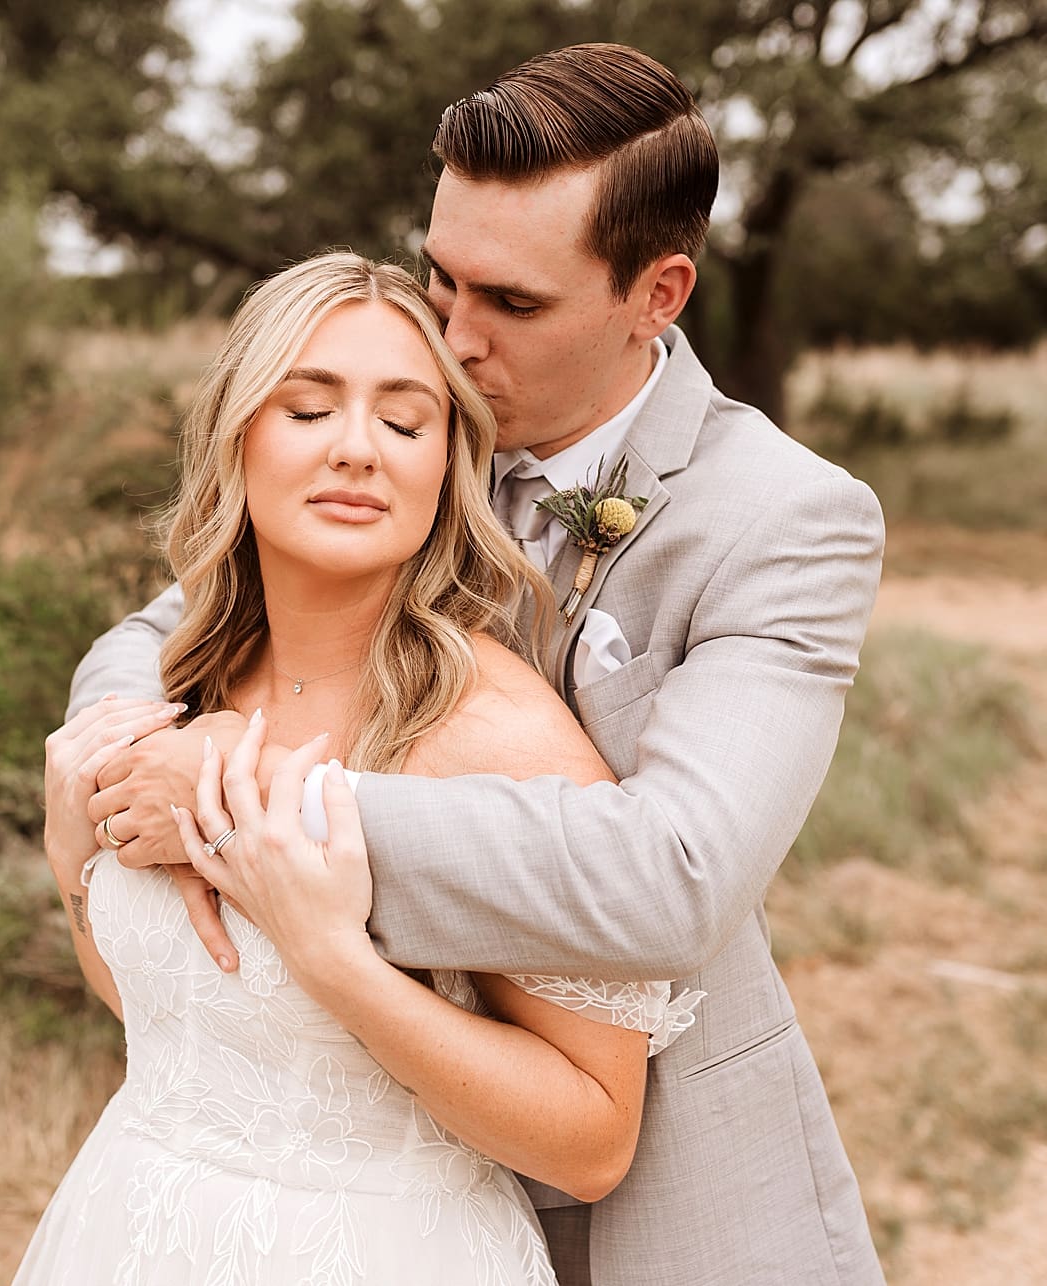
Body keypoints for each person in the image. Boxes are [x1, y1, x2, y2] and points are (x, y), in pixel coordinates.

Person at [65, 43, 887, 1286]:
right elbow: (174, 621)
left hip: (663, 1194)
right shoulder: (400, 432)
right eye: (440, 278)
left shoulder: (784, 519)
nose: (453, 337)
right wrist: (127, 753)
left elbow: (677, 878)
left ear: (657, 294)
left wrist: (261, 809)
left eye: (512, 303)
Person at [20, 252, 702, 1285]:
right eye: (308, 410)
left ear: (446, 467)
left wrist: (336, 962)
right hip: (136, 1223)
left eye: (404, 422)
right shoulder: (189, 686)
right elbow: (172, 1020)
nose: (356, 449)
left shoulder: (498, 737)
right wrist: (71, 859)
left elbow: (594, 1139)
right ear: (236, 436)